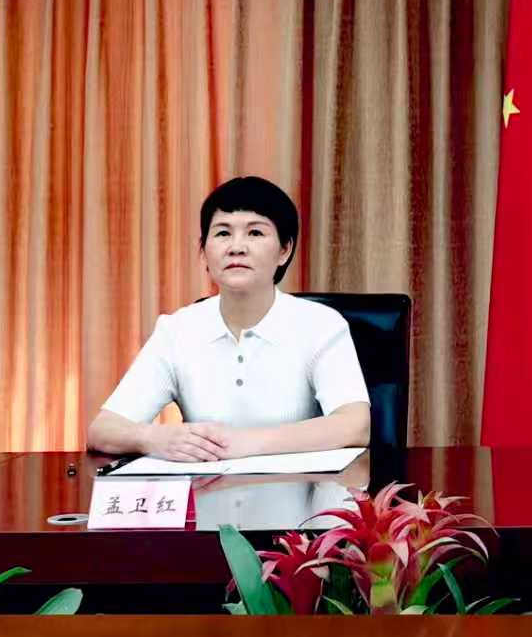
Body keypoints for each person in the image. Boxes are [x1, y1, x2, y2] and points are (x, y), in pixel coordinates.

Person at [87, 176, 370, 461]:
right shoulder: (177, 330)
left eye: (255, 233)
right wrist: (155, 438)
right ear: (204, 251)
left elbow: (356, 425)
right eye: (223, 233)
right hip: (205, 487)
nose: (236, 247)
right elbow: (102, 430)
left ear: (284, 250)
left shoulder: (320, 325)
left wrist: (245, 443)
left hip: (299, 488)